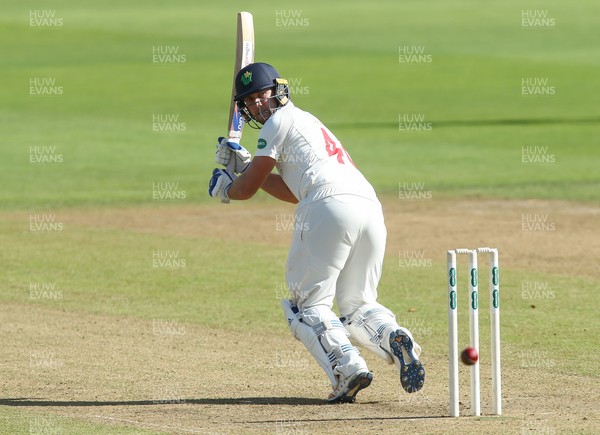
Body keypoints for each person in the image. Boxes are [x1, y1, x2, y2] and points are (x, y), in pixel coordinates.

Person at [208, 62, 425, 403]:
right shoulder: (307, 120)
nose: (257, 105)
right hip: (369, 207)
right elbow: (293, 190)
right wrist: (245, 168)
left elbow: (247, 189)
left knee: (304, 306)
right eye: (249, 101)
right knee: (357, 304)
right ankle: (395, 336)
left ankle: (347, 368)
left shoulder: (276, 122)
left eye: (261, 96)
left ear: (278, 91)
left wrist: (226, 187)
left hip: (327, 206)